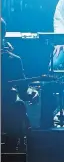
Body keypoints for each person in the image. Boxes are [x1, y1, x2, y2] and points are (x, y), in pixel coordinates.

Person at [1, 18, 38, 152]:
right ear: (3, 34)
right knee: (18, 107)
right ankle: (12, 151)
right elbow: (23, 91)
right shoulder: (13, 60)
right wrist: (33, 93)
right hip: (7, 105)